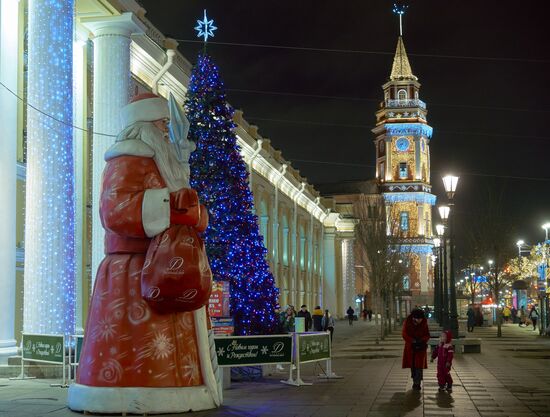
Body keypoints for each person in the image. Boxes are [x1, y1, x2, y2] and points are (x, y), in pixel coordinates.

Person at [68, 93, 221, 413]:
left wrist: (194, 213)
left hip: (173, 268)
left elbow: (187, 208)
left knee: (170, 343)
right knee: (137, 344)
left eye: (167, 125)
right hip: (133, 273)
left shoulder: (169, 164)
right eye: (162, 124)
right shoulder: (126, 158)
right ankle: (129, 393)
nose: (167, 132)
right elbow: (115, 210)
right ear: (144, 126)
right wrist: (171, 206)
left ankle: (180, 389)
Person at [402, 309, 430, 390]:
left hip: (421, 347)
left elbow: (427, 334)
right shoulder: (407, 322)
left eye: (420, 319)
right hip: (411, 347)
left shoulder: (424, 322)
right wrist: (413, 341)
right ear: (413, 318)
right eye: (418, 319)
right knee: (413, 365)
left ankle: (417, 383)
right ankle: (415, 380)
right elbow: (404, 334)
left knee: (419, 366)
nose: (419, 320)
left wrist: (422, 340)